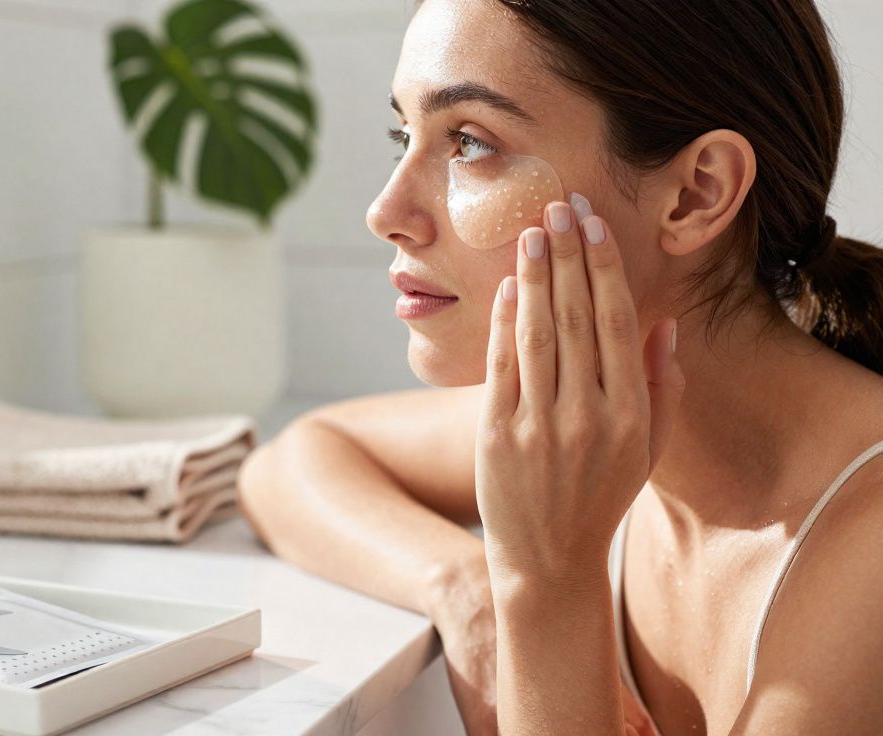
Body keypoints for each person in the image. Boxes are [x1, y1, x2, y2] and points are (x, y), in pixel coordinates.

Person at [237, 0, 883, 733]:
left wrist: (547, 582)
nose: (386, 211)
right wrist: (470, 590)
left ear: (697, 193)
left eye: (472, 144)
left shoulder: (869, 564)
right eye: (403, 135)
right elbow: (295, 462)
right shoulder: (596, 417)